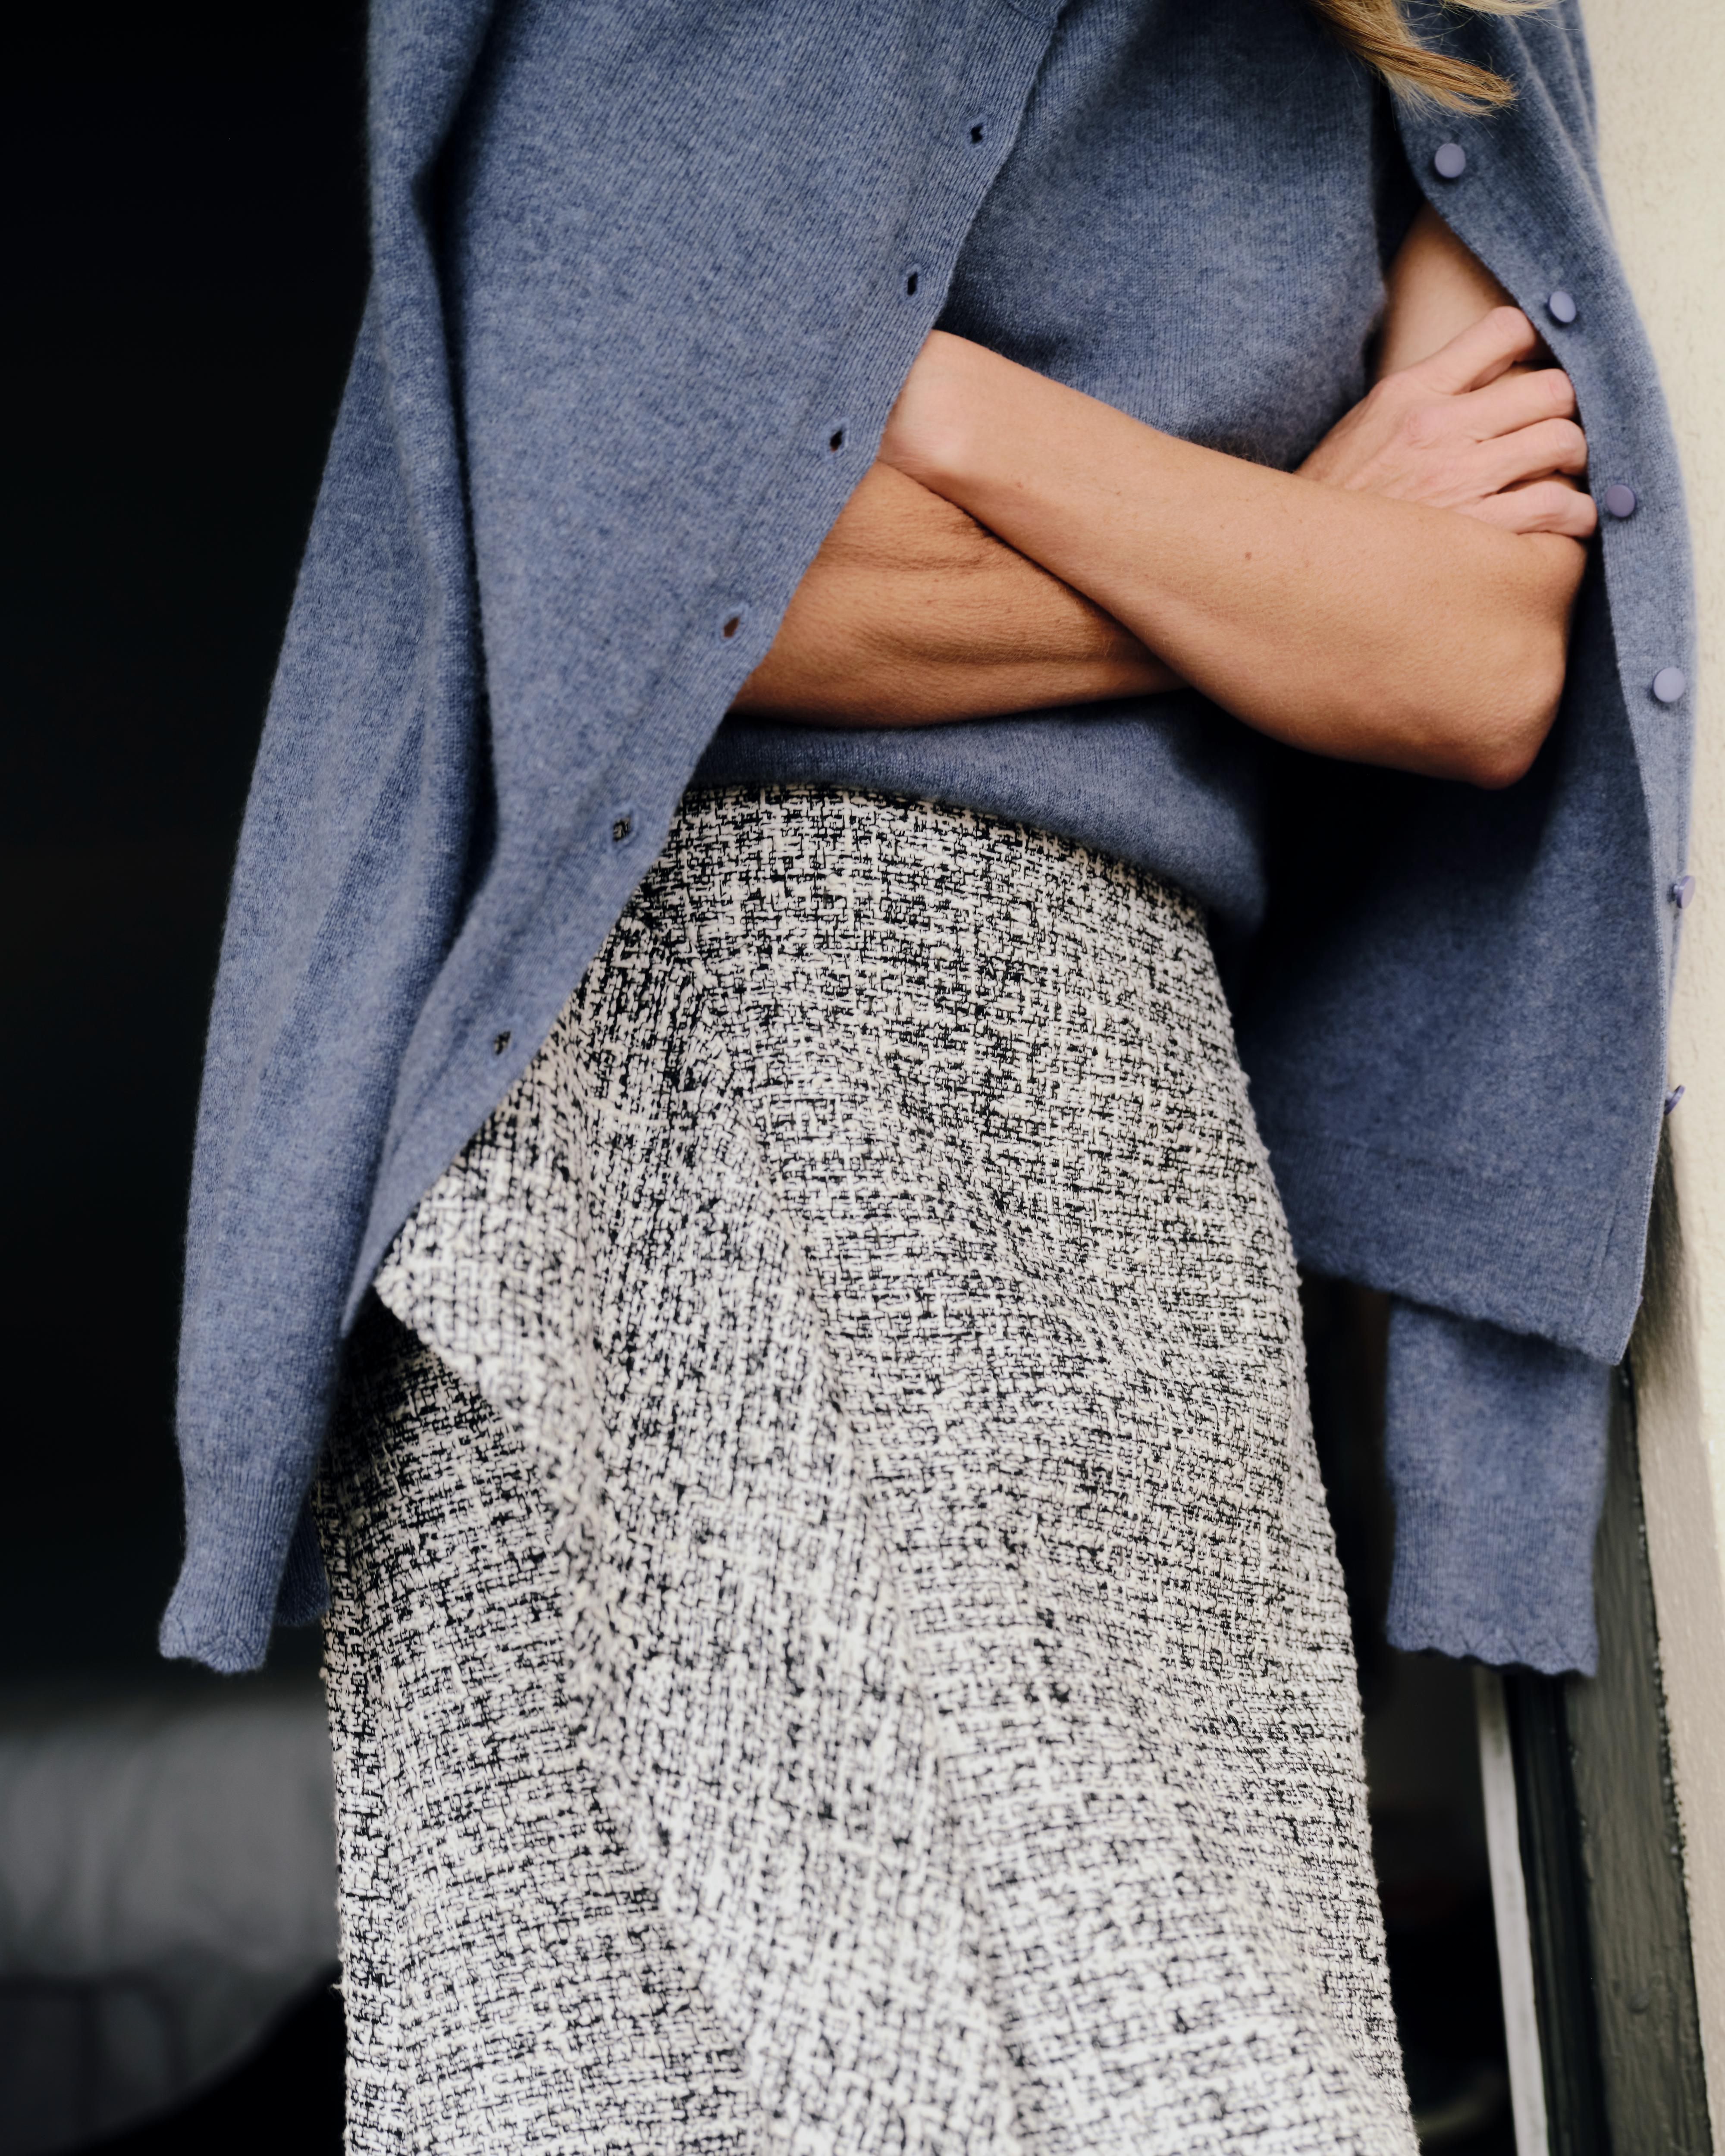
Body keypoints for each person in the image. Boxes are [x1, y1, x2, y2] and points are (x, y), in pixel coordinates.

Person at [162, 0, 1694, 2147]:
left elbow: (1465, 655)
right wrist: (1288, 554)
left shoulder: (1433, 39)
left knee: (1211, 2070)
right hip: (674, 1097)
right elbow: (622, 587)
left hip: (1129, 1161)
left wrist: (942, 412)